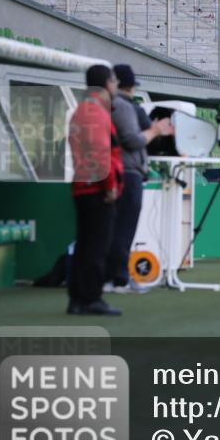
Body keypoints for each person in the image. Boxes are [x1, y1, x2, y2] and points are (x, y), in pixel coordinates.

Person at [105, 64, 173, 294]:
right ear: (132, 86)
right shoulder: (123, 107)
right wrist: (155, 131)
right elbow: (133, 140)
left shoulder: (117, 106)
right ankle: (119, 279)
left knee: (118, 229)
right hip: (127, 173)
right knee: (123, 230)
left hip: (121, 172)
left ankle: (114, 277)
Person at [67, 64, 123, 316]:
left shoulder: (81, 110)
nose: (116, 86)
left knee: (85, 246)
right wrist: (110, 186)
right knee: (96, 247)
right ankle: (90, 298)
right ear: (106, 84)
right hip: (96, 190)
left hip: (84, 187)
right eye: (114, 81)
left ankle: (79, 299)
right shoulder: (96, 113)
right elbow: (101, 153)